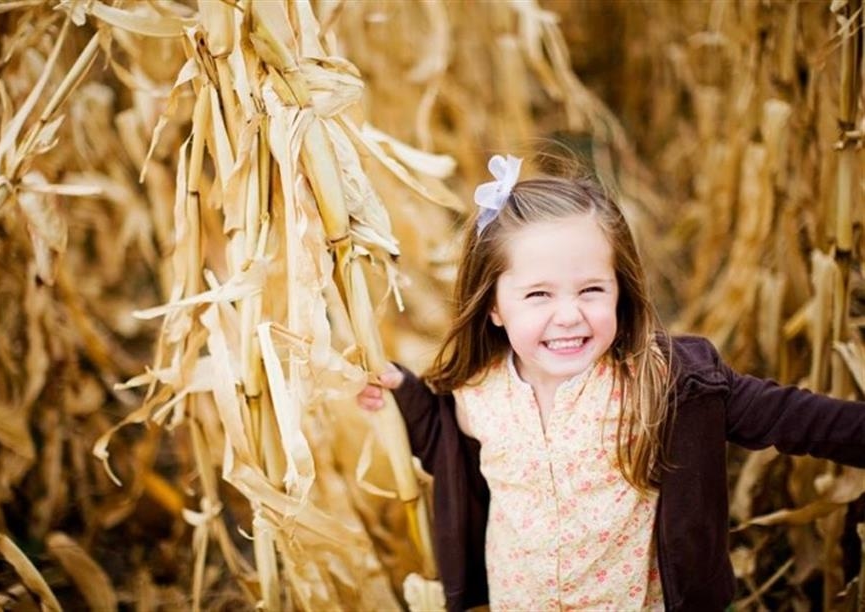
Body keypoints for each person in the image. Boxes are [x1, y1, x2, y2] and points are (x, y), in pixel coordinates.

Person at [357, 154, 865, 612]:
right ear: (493, 306)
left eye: (591, 290)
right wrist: (403, 395)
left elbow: (790, 417)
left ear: (620, 291)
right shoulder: (479, 392)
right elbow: (445, 447)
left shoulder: (661, 382)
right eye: (538, 295)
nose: (568, 315)